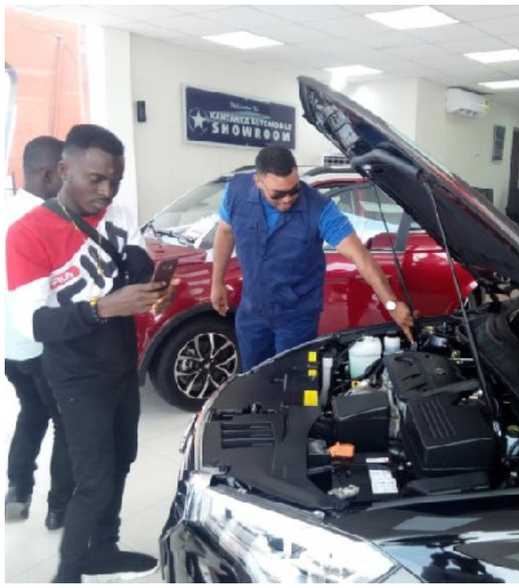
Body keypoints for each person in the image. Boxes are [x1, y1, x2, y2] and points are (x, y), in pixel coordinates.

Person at [7, 124, 177, 582]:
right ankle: (68, 573)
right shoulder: (28, 233)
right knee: (94, 479)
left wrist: (149, 285)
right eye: (96, 179)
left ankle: (104, 549)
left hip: (122, 365)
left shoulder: (116, 208)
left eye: (115, 181)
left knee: (123, 460)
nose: (106, 191)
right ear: (64, 170)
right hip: (76, 376)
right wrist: (105, 307)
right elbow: (35, 324)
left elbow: (137, 253)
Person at [210, 146, 414, 371]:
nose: (287, 199)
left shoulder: (320, 209)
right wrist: (217, 281)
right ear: (258, 182)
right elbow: (225, 232)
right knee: (253, 378)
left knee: (295, 384)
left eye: (294, 190)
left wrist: (391, 303)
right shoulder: (235, 192)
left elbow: (360, 256)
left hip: (297, 317)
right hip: (252, 312)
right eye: (278, 194)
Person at [3, 136, 74, 531]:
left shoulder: (5, 210)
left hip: (10, 348)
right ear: (49, 174)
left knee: (31, 412)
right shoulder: (44, 221)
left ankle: (18, 490)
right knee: (66, 423)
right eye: (64, 172)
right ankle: (59, 508)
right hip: (43, 344)